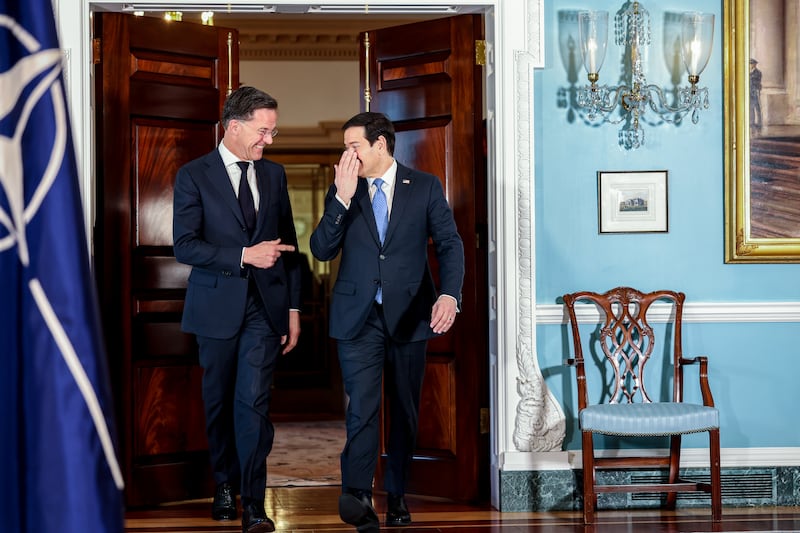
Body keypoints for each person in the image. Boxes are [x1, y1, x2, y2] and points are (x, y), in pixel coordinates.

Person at [310, 112, 465, 532]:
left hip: (411, 317)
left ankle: (396, 494)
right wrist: (341, 201)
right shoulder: (344, 188)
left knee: (404, 410)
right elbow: (321, 250)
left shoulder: (426, 186)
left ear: (380, 145)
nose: (348, 154)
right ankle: (358, 496)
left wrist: (449, 295)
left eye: (354, 146)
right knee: (361, 409)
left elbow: (450, 245)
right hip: (357, 320)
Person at [173, 86, 301, 533]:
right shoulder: (194, 175)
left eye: (273, 130)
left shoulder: (275, 175)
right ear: (234, 126)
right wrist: (244, 255)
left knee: (253, 404)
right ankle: (224, 484)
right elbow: (185, 245)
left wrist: (294, 309)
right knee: (218, 402)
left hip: (264, 311)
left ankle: (254, 503)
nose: (270, 139)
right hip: (214, 307)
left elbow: (290, 248)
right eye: (264, 131)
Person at [750, 58, 763, 132]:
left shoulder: (758, 73)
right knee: (751, 108)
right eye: (750, 64)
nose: (750, 65)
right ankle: (752, 122)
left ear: (755, 64)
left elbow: (758, 82)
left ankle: (759, 123)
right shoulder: (749, 73)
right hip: (750, 92)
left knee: (757, 108)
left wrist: (757, 90)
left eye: (752, 64)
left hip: (755, 92)